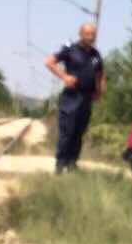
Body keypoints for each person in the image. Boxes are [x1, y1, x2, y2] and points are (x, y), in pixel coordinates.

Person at [45, 23, 105, 174]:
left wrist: (100, 91)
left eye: (93, 35)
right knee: (67, 131)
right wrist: (64, 77)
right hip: (71, 97)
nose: (91, 37)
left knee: (79, 132)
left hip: (87, 97)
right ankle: (60, 164)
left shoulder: (95, 55)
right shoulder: (70, 49)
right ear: (81, 34)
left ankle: (72, 163)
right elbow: (49, 62)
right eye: (88, 34)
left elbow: (101, 74)